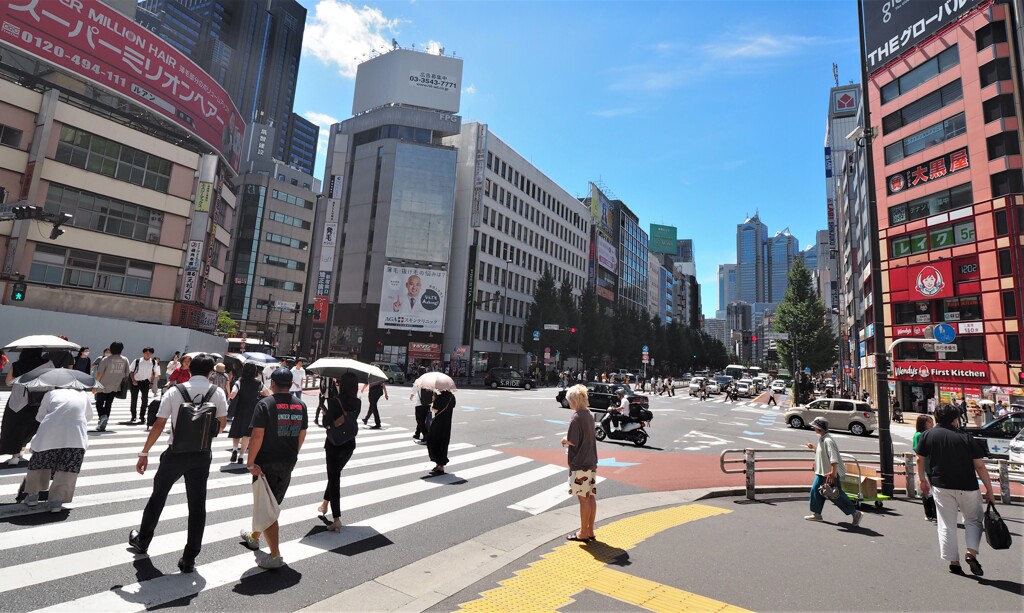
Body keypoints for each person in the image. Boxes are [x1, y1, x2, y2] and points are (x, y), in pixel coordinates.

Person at [129, 355, 228, 573]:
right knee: (197, 504)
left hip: (175, 453)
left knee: (158, 496)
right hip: (202, 455)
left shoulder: (175, 391)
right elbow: (221, 424)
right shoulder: (217, 392)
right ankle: (189, 557)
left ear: (189, 369)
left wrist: (144, 452)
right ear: (212, 371)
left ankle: (143, 540)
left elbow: (158, 424)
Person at [916, 403, 995, 576]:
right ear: (955, 419)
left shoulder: (927, 435)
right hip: (968, 485)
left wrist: (922, 480)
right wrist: (989, 490)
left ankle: (954, 562)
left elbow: (920, 460)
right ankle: (971, 552)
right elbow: (980, 466)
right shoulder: (966, 438)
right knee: (973, 521)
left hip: (941, 485)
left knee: (946, 523)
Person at [240, 368, 308, 569]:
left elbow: (257, 436)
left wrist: (250, 462)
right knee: (271, 503)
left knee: (267, 507)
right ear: (290, 384)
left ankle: (276, 556)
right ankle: (254, 536)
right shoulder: (300, 405)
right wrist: (293, 454)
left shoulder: (265, 404)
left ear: (273, 383)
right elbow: (302, 434)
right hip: (287, 461)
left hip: (265, 463)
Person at [23, 386, 94, 512]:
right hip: (75, 436)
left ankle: (32, 496)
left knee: (39, 463)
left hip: (49, 434)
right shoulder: (83, 394)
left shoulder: (51, 394)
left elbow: (40, 417)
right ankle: (56, 500)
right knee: (68, 467)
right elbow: (88, 416)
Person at [316, 373, 360, 532]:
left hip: (334, 444)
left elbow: (327, 424)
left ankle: (336, 519)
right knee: (334, 475)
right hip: (349, 444)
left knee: (334, 479)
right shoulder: (358, 402)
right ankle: (325, 504)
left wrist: (324, 411)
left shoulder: (334, 401)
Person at [805, 417, 862, 526]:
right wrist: (814, 449)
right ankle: (817, 514)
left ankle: (855, 513)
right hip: (823, 472)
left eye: (814, 427)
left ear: (819, 428)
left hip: (829, 473)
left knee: (835, 495)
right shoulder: (822, 438)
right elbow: (822, 454)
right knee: (816, 491)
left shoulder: (828, 440)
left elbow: (833, 458)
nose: (813, 428)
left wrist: (832, 473)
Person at [2, 348, 51, 465]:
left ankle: (15, 455)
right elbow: (52, 381)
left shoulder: (18, 364)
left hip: (18, 401)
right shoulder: (48, 364)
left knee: (15, 426)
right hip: (39, 400)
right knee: (31, 427)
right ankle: (20, 450)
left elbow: (8, 382)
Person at [561, 384, 598, 542]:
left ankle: (583, 533)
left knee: (583, 498)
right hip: (591, 460)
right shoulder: (589, 414)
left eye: (569, 400)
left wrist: (564, 440)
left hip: (580, 462)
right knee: (590, 496)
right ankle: (590, 530)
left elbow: (573, 441)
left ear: (574, 401)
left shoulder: (576, 417)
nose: (568, 402)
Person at [227, 363, 268, 464]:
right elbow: (267, 393)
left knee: (236, 430)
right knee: (246, 434)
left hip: (240, 408)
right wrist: (259, 393)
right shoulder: (258, 383)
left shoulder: (239, 381)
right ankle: (241, 456)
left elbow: (232, 395)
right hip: (252, 409)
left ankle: (235, 450)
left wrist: (229, 397)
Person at [94, 341, 129, 432]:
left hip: (103, 385)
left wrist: (95, 386)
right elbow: (126, 374)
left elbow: (100, 373)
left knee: (99, 403)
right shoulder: (125, 359)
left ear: (111, 349)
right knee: (109, 404)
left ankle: (102, 417)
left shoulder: (106, 359)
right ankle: (104, 422)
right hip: (115, 386)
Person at [426, 389, 456, 475]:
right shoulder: (452, 397)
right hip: (447, 424)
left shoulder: (439, 397)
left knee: (433, 442)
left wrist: (434, 400)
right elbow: (452, 406)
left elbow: (434, 410)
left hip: (437, 424)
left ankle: (438, 463)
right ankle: (441, 465)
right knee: (443, 443)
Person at [913, 415, 936, 521]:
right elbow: (918, 453)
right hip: (925, 467)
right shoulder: (919, 435)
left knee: (933, 491)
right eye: (930, 422)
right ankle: (929, 513)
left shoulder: (930, 434)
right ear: (924, 423)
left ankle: (934, 513)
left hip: (932, 466)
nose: (932, 424)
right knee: (926, 490)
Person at [128, 347, 157, 425]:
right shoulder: (137, 361)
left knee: (145, 400)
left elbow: (154, 373)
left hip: (145, 382)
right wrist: (133, 380)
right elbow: (131, 371)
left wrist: (152, 383)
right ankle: (133, 415)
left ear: (151, 354)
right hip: (135, 381)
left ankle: (142, 416)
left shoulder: (153, 362)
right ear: (143, 353)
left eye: (149, 353)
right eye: (146, 352)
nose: (148, 354)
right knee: (134, 399)